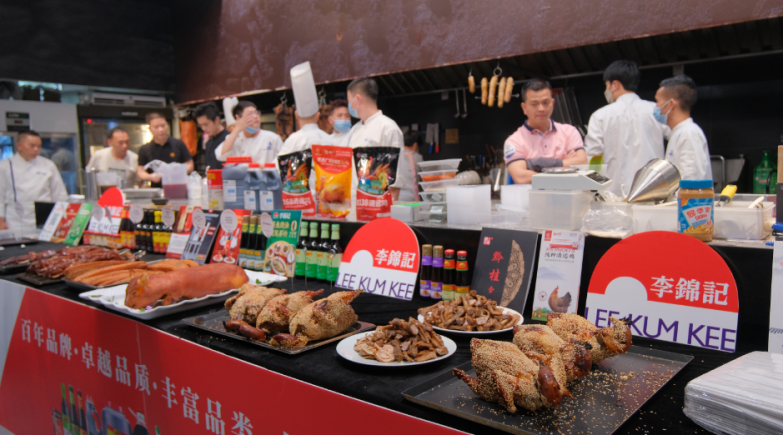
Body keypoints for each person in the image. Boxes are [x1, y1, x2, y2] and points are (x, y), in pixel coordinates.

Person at [584, 60, 668, 197]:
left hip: (613, 195)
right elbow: (675, 138)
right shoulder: (657, 111)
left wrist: (597, 191)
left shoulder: (599, 116)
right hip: (653, 192)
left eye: (607, 86)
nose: (607, 90)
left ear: (615, 84)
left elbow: (593, 158)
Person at [503, 79, 587, 184]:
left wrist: (535, 165)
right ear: (524, 108)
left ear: (552, 103)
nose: (541, 109)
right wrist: (563, 165)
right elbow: (521, 178)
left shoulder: (569, 132)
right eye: (534, 104)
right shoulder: (514, 141)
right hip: (533, 195)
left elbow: (582, 164)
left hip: (569, 193)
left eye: (546, 102)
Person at [346, 77, 405, 214]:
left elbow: (395, 181)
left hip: (378, 209)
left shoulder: (388, 128)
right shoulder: (353, 130)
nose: (349, 106)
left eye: (349, 101)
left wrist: (386, 214)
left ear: (358, 99)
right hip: (353, 207)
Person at [0, 130, 68, 229]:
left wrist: (61, 217)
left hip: (45, 218)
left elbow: (59, 194)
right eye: (32, 146)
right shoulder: (4, 166)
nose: (36, 149)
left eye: (39, 146)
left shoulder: (48, 165)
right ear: (19, 146)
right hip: (16, 220)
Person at [655, 75, 712, 181]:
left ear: (670, 104)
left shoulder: (689, 134)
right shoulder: (678, 133)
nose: (656, 106)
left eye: (658, 101)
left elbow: (690, 180)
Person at [215, 101, 283, 165]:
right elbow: (220, 156)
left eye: (256, 113)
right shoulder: (235, 138)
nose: (256, 116)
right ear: (238, 118)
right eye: (250, 114)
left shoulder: (273, 138)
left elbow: (283, 161)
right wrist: (237, 130)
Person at [137, 113, 194, 187]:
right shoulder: (145, 149)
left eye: (163, 126)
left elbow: (190, 165)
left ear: (167, 125)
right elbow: (140, 171)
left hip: (178, 187)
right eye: (156, 127)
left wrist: (176, 171)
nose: (161, 129)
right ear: (150, 129)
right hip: (157, 189)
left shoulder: (179, 144)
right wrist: (151, 176)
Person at [194, 102, 229, 170]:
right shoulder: (209, 143)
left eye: (206, 124)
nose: (203, 128)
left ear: (217, 120)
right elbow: (208, 168)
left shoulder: (229, 139)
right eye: (201, 125)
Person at [395, 130, 423, 201]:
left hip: (395, 196)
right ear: (415, 145)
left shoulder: (395, 155)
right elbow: (423, 178)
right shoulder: (417, 157)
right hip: (411, 197)